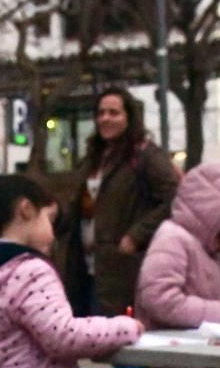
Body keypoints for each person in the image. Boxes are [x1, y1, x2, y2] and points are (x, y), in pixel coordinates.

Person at [0, 175, 142, 368]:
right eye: (49, 219)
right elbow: (63, 336)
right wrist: (126, 328)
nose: (53, 235)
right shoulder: (29, 271)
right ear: (26, 210)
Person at [57, 86, 178, 316]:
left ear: (129, 117)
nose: (105, 119)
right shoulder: (92, 159)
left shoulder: (145, 156)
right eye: (101, 113)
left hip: (121, 273)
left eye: (114, 113)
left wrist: (136, 235)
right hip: (85, 269)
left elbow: (173, 198)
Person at [134, 161, 220, 330]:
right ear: (219, 219)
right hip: (168, 348)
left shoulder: (206, 246)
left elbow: (206, 295)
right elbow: (159, 298)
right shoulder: (172, 238)